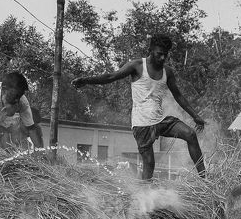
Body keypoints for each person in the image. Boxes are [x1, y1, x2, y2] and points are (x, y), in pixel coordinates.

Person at [72, 34, 206, 181]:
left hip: (161, 120)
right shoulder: (136, 66)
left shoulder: (167, 71)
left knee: (190, 134)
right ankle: (144, 198)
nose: (162, 58)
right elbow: (111, 76)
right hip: (142, 123)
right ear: (150, 50)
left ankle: (205, 181)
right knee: (149, 164)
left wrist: (195, 116)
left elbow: (178, 96)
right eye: (159, 54)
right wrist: (86, 80)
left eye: (165, 55)